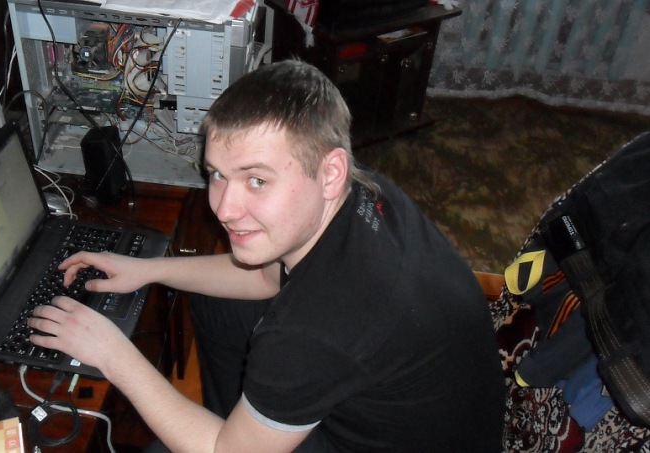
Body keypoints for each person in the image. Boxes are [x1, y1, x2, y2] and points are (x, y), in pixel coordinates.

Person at [28, 59, 506, 452]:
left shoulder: (315, 327)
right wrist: (148, 270)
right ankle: (247, 419)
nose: (224, 208)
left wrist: (112, 353)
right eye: (217, 174)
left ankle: (247, 427)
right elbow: (264, 278)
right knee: (217, 304)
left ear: (330, 172)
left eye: (256, 180)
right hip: (420, 409)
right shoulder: (361, 189)